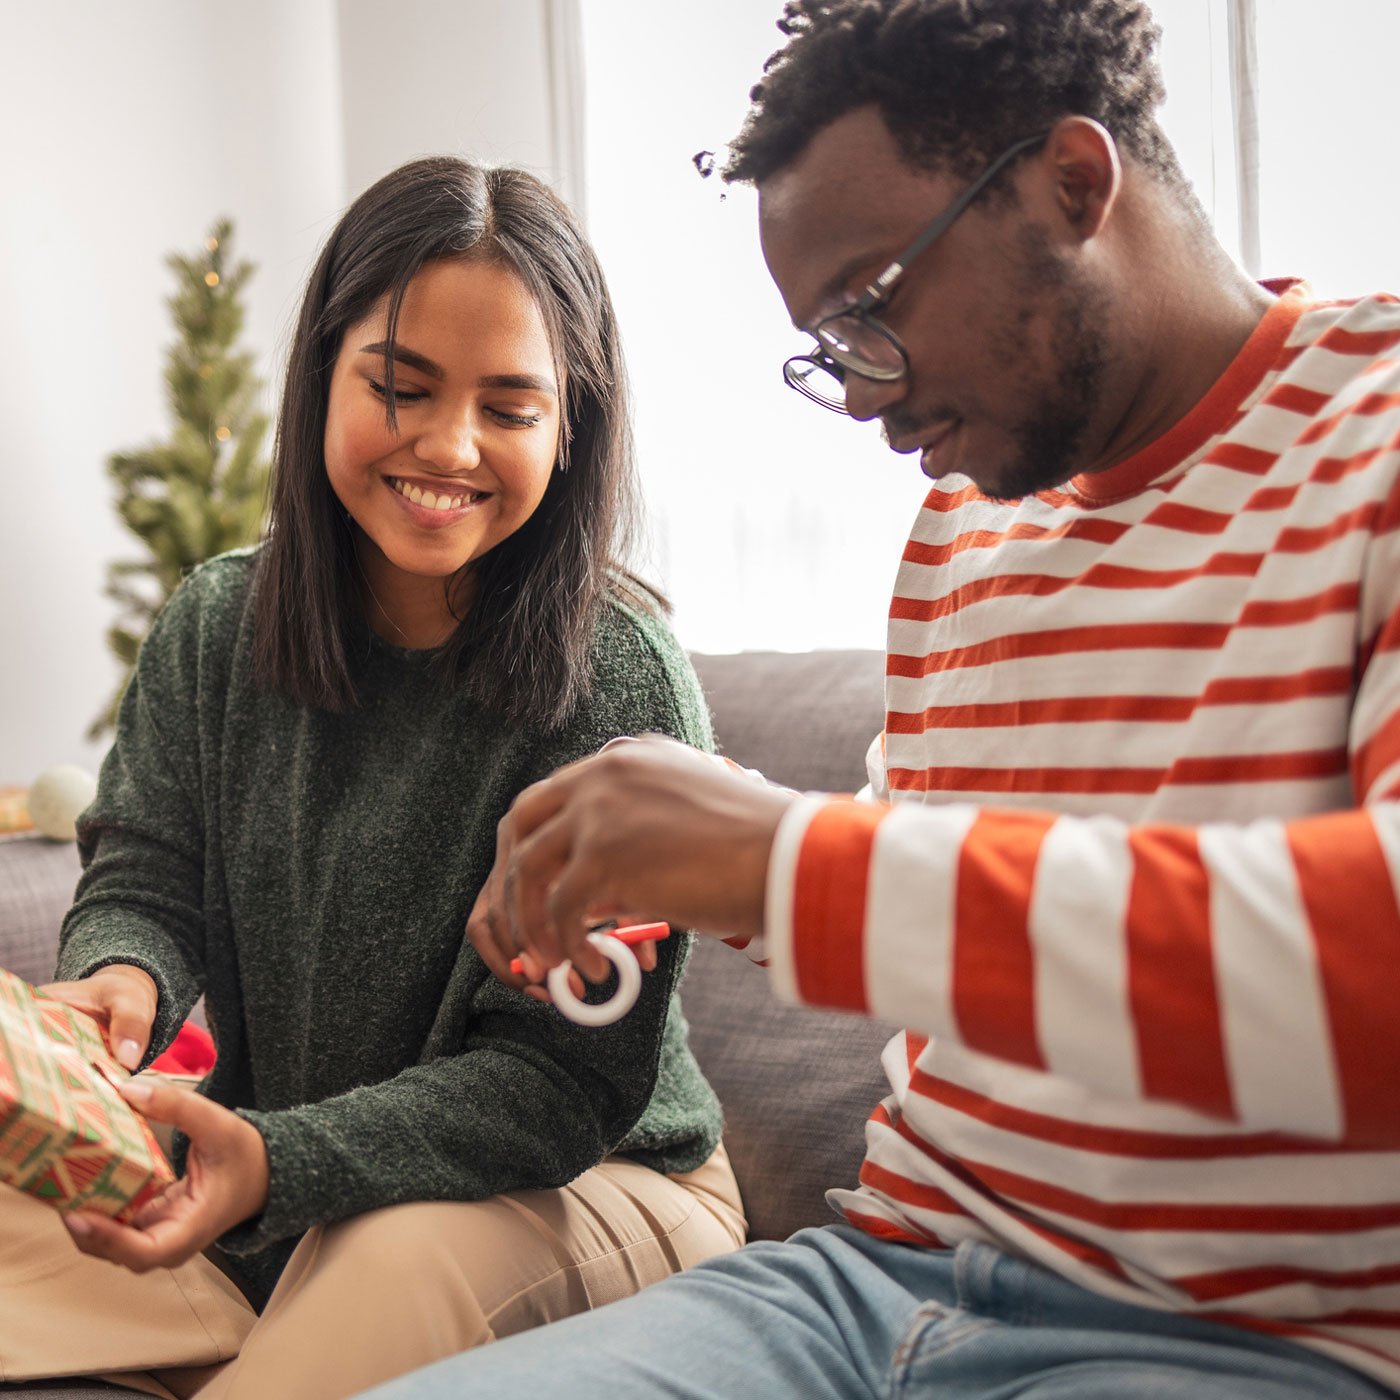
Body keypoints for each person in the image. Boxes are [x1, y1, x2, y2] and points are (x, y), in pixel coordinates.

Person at [360, 3, 1400, 1399]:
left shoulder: (1373, 443)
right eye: (824, 344)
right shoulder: (969, 524)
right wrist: (695, 864)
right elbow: (944, 891)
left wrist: (787, 861)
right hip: (868, 1281)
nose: (858, 399)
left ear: (1073, 185)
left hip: (1254, 1336)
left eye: (870, 306)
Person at [5, 156, 744, 1400]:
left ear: (571, 431)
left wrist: (279, 1161)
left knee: (387, 1253)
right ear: (321, 380)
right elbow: (146, 873)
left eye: (509, 409)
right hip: (281, 1186)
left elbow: (552, 1087)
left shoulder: (620, 682)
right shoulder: (217, 620)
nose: (447, 445)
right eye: (398, 386)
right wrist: (119, 980)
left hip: (590, 1184)